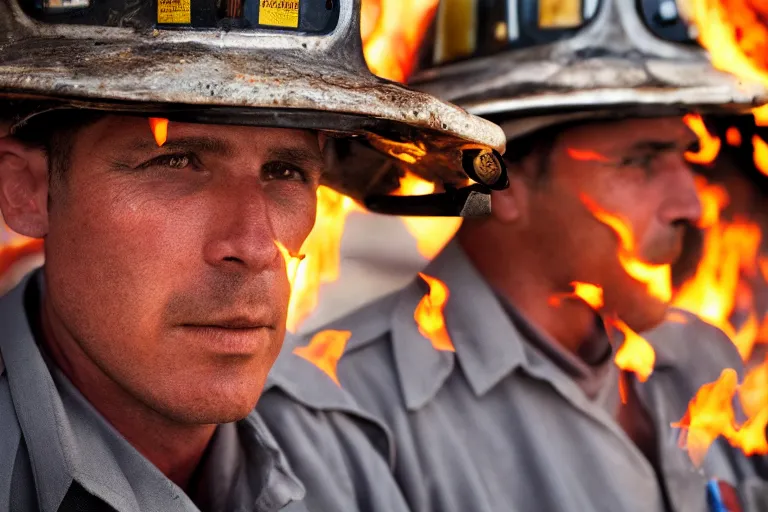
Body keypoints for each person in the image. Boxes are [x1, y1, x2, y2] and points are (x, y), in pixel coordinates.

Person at [0, 1, 507, 510]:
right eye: (175, 161)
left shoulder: (343, 460)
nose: (255, 248)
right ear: (26, 189)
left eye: (285, 171)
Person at [286, 0, 768, 510]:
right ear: (501, 176)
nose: (690, 205)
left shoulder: (710, 364)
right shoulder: (341, 410)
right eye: (642, 161)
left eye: (684, 157)